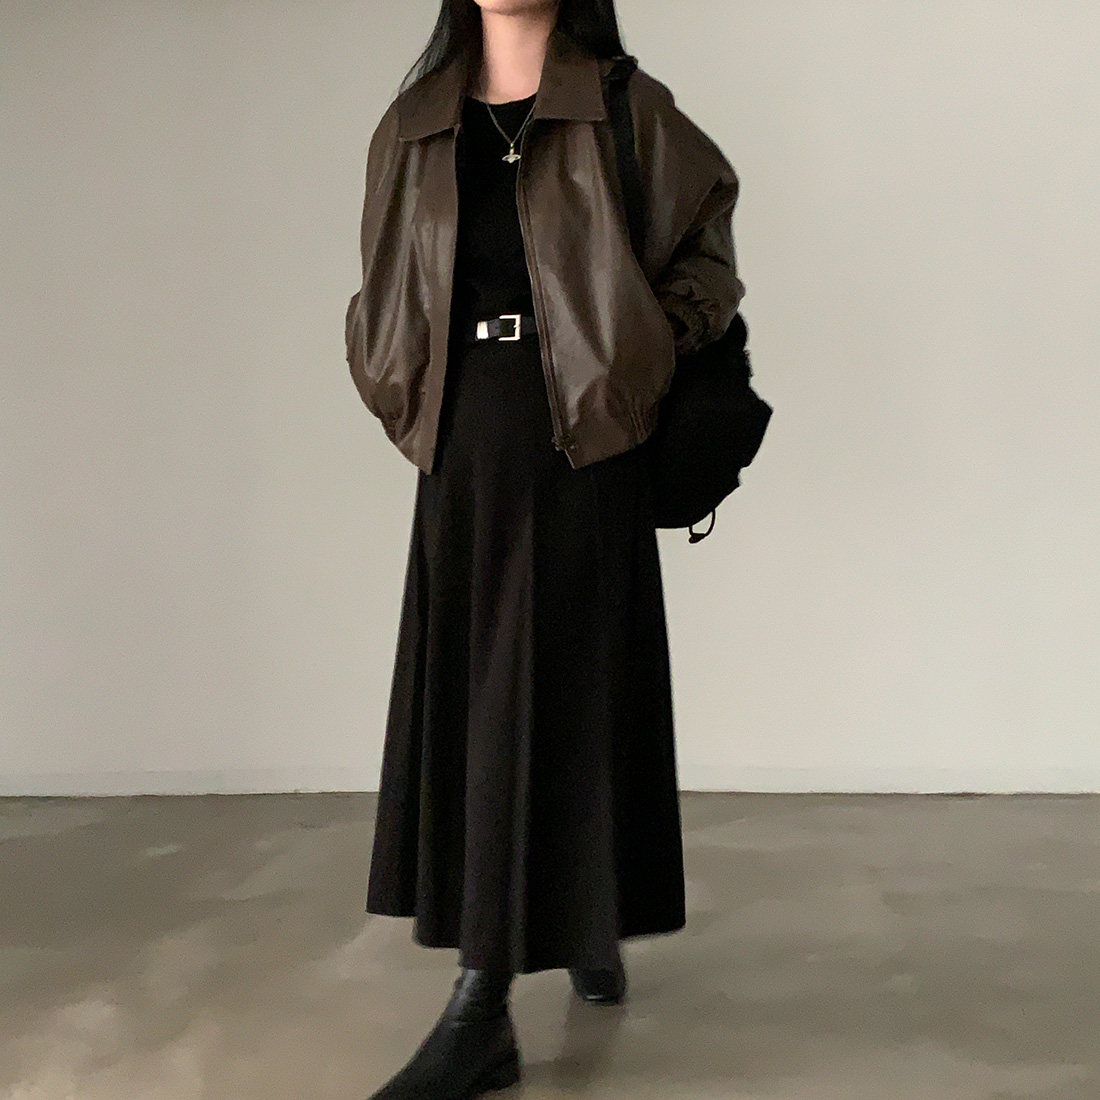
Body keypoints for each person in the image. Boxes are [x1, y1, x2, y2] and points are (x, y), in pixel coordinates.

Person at [345, 1, 746, 1095]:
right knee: (483, 698)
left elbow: (706, 255)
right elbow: (381, 283)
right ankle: (566, 931)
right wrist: (395, 383)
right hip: (465, 440)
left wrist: (640, 351)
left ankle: (487, 1003)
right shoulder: (416, 123)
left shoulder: (623, 109)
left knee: (570, 684)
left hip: (586, 436)